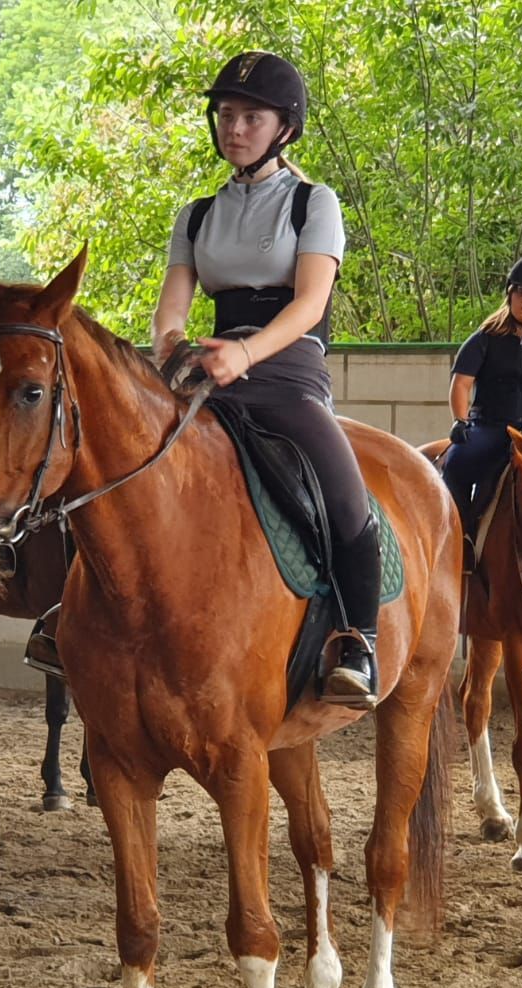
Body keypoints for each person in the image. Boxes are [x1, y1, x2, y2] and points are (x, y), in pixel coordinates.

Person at [151, 50, 377, 707]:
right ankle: (70, 614)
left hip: (286, 369)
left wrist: (245, 357)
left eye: (251, 116)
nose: (235, 127)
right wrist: (172, 345)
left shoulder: (314, 202)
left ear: (284, 126)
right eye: (226, 114)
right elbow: (172, 306)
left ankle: (358, 639)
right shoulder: (196, 214)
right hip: (207, 366)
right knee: (122, 456)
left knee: (347, 500)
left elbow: (310, 303)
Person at [442, 254, 522, 571]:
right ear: (510, 294)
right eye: (521, 293)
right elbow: (461, 385)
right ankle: (461, 536)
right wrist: (460, 421)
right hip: (489, 426)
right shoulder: (484, 339)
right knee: (456, 463)